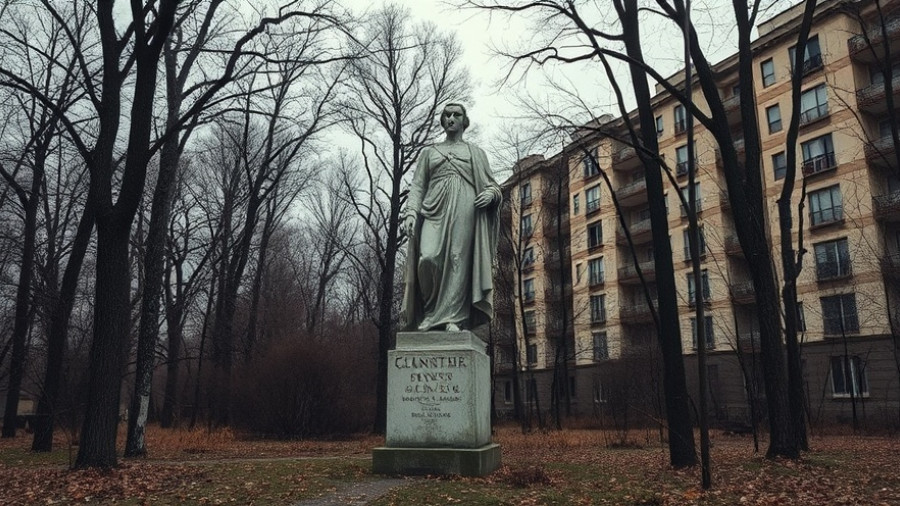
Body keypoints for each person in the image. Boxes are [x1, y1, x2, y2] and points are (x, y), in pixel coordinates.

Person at [401, 103, 501, 332]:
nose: (451, 118)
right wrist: (411, 213)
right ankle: (430, 313)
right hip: (433, 210)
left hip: (465, 209)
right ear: (442, 120)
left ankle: (452, 319)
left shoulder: (475, 153)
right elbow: (417, 186)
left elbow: (494, 187)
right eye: (447, 115)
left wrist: (489, 194)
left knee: (458, 261)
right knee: (428, 258)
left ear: (464, 121)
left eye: (456, 115)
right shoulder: (429, 152)